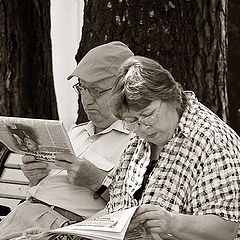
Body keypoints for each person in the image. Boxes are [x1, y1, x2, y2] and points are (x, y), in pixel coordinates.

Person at [0, 41, 133, 239]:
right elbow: (50, 188)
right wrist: (36, 177)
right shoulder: (75, 133)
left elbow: (134, 208)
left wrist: (98, 182)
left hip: (58, 228)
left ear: (124, 89)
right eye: (82, 89)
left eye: (96, 91)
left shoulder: (136, 142)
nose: (86, 100)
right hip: (20, 216)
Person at [104, 55, 240, 240]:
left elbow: (227, 230)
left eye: (149, 115)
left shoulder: (213, 142)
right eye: (132, 121)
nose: (144, 127)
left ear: (170, 97)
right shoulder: (139, 139)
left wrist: (172, 223)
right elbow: (115, 206)